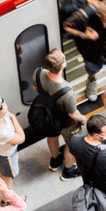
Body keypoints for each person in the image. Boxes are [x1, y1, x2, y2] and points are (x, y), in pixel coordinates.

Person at [62, 0, 106, 102]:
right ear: (101, 16)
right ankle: (92, 80)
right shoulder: (85, 14)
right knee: (92, 69)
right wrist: (83, 35)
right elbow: (66, 27)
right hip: (93, 52)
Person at [35, 49, 88, 180]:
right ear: (63, 65)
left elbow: (36, 88)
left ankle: (55, 160)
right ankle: (69, 171)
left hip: (47, 115)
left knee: (52, 136)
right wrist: (84, 119)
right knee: (71, 145)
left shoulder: (38, 73)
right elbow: (73, 114)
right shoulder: (66, 91)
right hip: (64, 121)